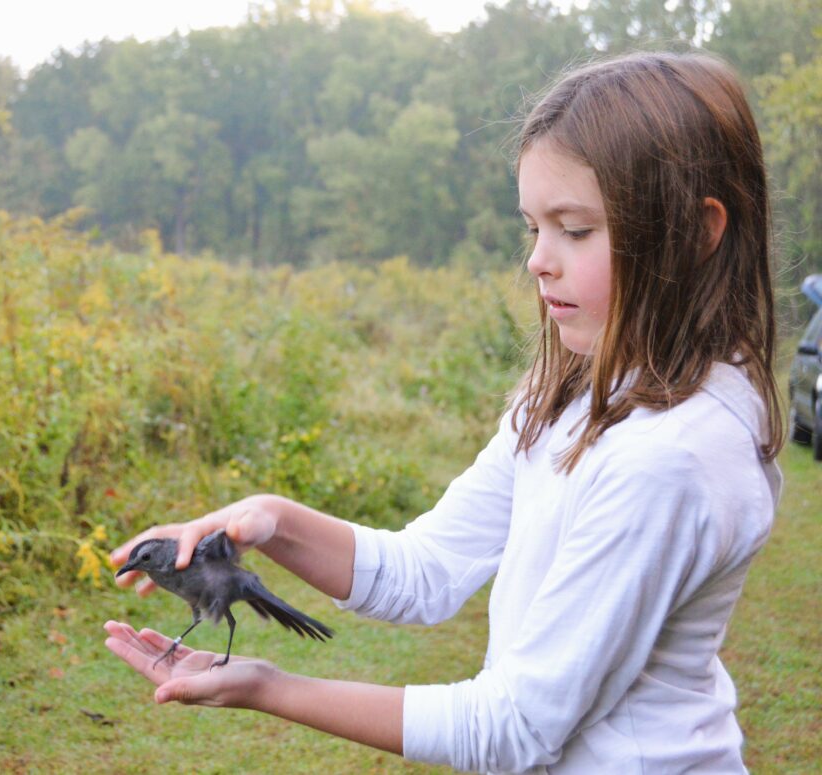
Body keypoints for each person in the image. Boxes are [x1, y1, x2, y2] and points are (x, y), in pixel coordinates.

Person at [104, 51, 784, 773]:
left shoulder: (670, 458)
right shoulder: (574, 395)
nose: (539, 261)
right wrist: (271, 520)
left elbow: (513, 725)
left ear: (698, 231)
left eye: (576, 230)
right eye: (533, 228)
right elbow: (426, 571)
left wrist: (271, 686)